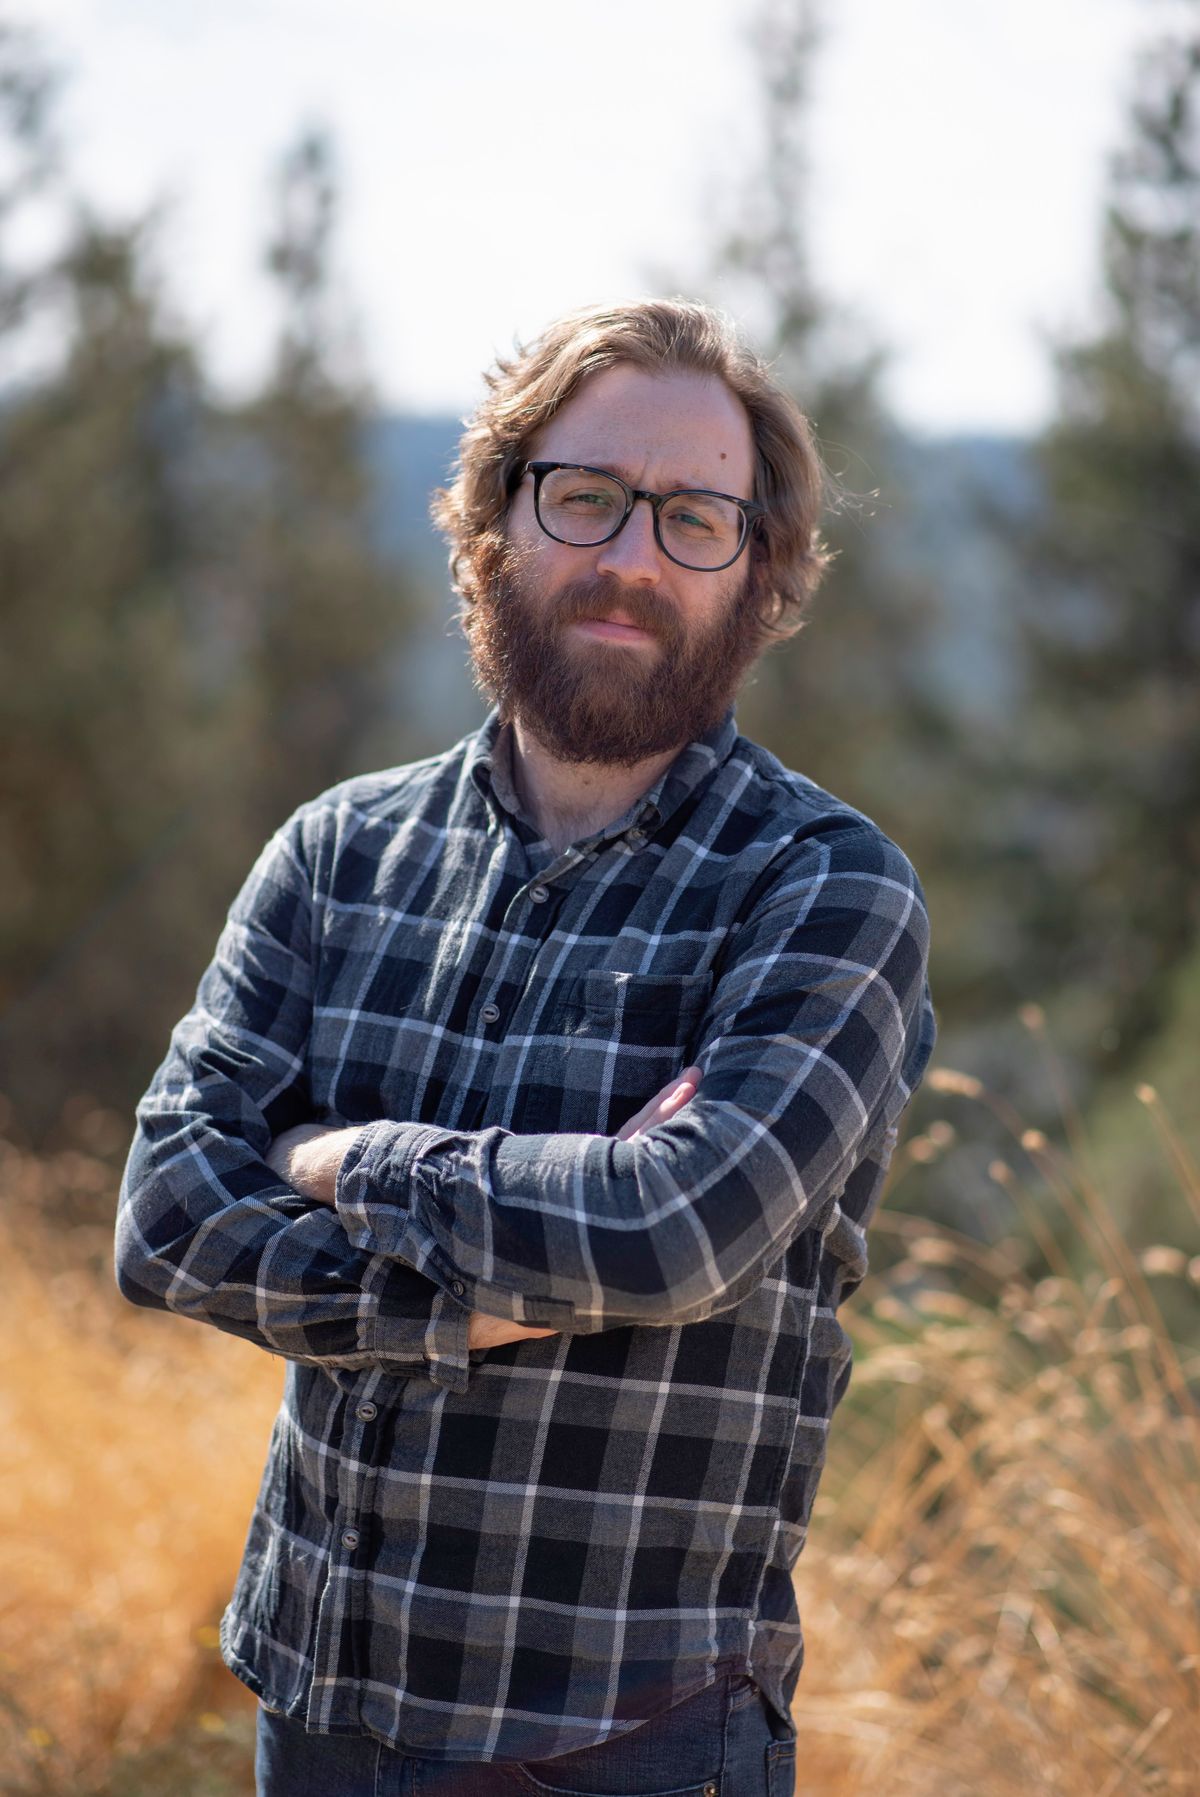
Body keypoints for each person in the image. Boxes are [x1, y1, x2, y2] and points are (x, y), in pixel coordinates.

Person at [117, 297, 935, 1796]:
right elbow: (166, 1216)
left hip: (626, 1739)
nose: (631, 556)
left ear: (762, 568)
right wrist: (469, 1296)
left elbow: (679, 1226)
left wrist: (341, 1155)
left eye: (695, 516)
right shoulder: (336, 854)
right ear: (494, 518)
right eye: (586, 497)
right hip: (318, 1706)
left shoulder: (823, 887)